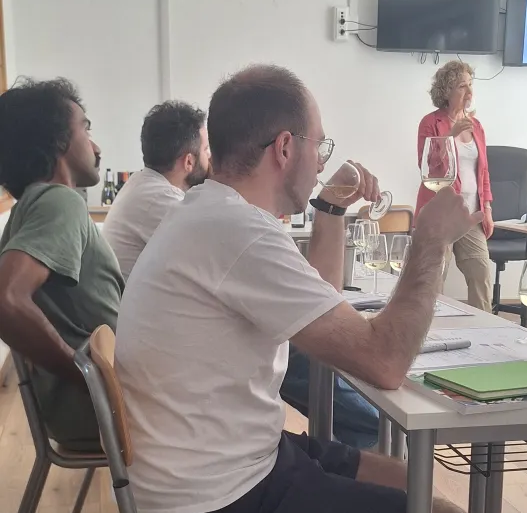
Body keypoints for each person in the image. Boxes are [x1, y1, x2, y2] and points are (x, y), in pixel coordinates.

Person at [116, 64, 478, 513]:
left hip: (219, 471)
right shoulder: (239, 235)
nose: (321, 158)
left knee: (410, 485)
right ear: (284, 147)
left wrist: (331, 212)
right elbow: (384, 361)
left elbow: (315, 298)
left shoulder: (215, 216)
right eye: (318, 144)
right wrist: (431, 240)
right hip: (212, 509)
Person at [105, 102, 379, 449]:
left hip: (178, 389)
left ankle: (359, 445)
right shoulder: (198, 214)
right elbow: (377, 357)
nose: (210, 160)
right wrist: (431, 235)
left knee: (306, 343)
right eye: (206, 150)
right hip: (195, 412)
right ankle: (371, 437)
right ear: (284, 148)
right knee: (318, 363)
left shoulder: (157, 194)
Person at [0, 78, 123, 450]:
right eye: (86, 129)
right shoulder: (59, 201)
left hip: (84, 411)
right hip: (108, 411)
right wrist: (87, 376)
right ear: (58, 142)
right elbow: (6, 299)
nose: (96, 147)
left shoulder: (33, 206)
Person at [416, 61, 493, 312]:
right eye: (462, 86)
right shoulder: (431, 123)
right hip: (441, 214)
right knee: (435, 276)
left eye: (470, 85)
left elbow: (483, 172)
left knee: (481, 271)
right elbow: (427, 166)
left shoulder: (476, 126)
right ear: (447, 90)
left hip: (471, 214)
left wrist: (487, 208)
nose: (469, 92)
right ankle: (427, 327)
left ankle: (484, 327)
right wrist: (450, 135)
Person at [103, 101, 210, 281]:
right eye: (206, 150)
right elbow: (215, 256)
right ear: (189, 162)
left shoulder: (142, 184)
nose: (210, 157)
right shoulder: (161, 199)